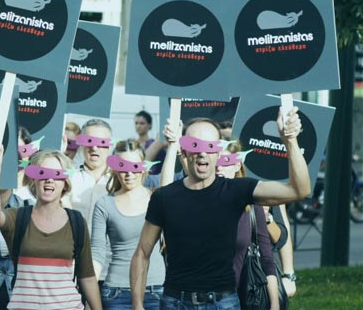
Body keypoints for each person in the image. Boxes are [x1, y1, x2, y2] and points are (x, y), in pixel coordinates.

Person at [130, 109, 310, 310]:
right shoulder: (164, 197)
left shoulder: (237, 190)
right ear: (184, 150)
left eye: (210, 146)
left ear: (217, 152)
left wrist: (290, 141)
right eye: (195, 145)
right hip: (176, 302)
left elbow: (299, 190)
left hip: (223, 302)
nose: (202, 153)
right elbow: (142, 253)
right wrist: (137, 305)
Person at [0, 147, 102, 310]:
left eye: (56, 175)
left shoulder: (76, 222)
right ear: (33, 180)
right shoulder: (19, 217)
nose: (49, 180)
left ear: (65, 183)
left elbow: (87, 276)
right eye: (42, 173)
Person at [91, 140, 165, 310]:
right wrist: (91, 297)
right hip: (117, 292)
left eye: (135, 167)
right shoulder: (104, 204)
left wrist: (172, 144)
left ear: (144, 167)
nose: (129, 173)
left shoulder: (157, 199)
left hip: (156, 289)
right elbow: (97, 252)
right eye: (123, 166)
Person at [216, 142, 280, 309]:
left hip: (239, 298)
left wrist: (274, 303)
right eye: (215, 160)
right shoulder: (200, 199)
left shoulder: (251, 203)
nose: (218, 167)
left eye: (225, 161)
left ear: (237, 165)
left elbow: (266, 257)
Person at [66, 118, 113, 231]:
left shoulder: (119, 181)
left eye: (101, 142)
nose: (94, 148)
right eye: (89, 141)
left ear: (110, 146)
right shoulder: (69, 178)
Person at [134, 111, 166, 175]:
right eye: (136, 123)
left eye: (142, 123)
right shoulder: (132, 144)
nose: (138, 126)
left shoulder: (155, 144)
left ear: (149, 125)